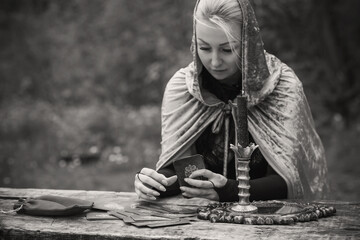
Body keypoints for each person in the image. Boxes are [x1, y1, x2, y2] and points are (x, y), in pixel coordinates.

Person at [134, 0, 329, 202]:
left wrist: (228, 190)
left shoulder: (280, 87)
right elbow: (182, 173)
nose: (215, 61)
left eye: (227, 50)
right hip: (200, 223)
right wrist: (154, 183)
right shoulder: (184, 89)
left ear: (248, 42)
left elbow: (287, 183)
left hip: (271, 221)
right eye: (204, 48)